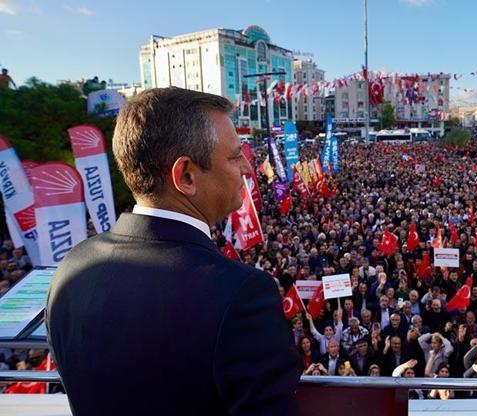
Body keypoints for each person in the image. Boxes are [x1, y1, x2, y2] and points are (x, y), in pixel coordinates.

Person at [45, 87, 302, 415]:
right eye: (235, 156)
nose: (248, 169)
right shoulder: (240, 294)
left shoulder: (71, 268)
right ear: (186, 175)